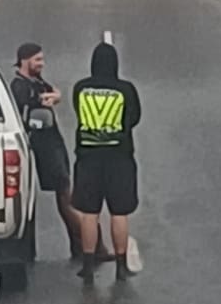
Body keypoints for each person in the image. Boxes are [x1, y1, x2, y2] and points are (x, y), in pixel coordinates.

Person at [9, 42, 110, 259]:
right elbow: (30, 106)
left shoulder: (35, 81)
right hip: (43, 144)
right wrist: (48, 99)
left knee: (64, 193)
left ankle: (78, 245)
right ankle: (94, 244)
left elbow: (53, 93)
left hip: (53, 141)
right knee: (65, 193)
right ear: (25, 60)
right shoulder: (19, 85)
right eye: (37, 60)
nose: (41, 64)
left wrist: (54, 97)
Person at [71, 42, 142, 285]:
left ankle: (88, 265)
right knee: (119, 212)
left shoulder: (81, 88)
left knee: (89, 213)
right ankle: (121, 266)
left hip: (88, 159)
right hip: (119, 158)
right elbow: (134, 118)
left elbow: (79, 114)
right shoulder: (125, 89)